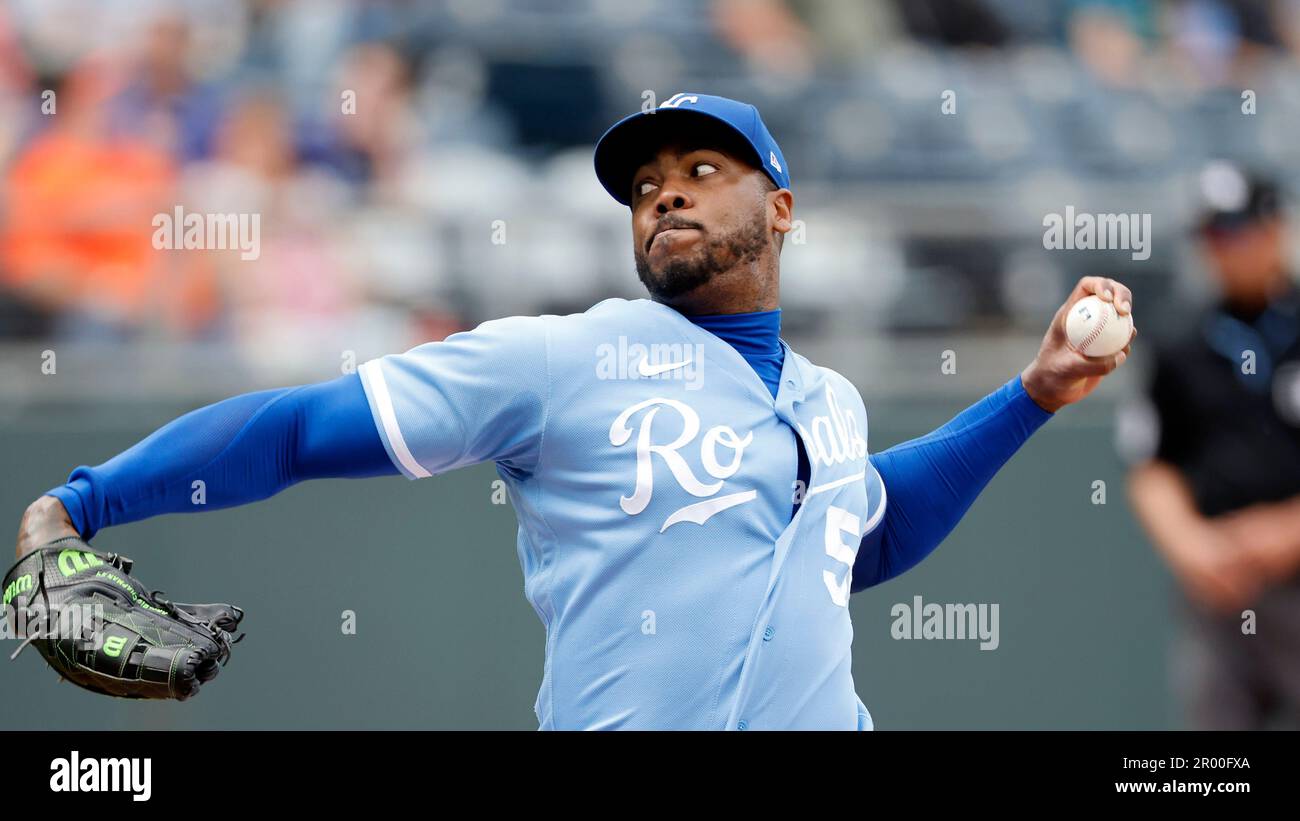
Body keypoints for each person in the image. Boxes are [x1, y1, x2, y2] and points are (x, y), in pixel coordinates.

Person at [14, 93, 1134, 730]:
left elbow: (863, 531)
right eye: (645, 187)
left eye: (702, 167)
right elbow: (298, 429)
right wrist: (78, 501)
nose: (666, 193)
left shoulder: (827, 400)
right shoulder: (564, 357)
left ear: (781, 208)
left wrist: (1032, 395)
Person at [1126, 162, 1300, 729]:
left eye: (1238, 230)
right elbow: (1152, 464)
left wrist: (1283, 533)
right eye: (1213, 235)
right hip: (1220, 594)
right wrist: (1194, 548)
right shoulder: (1181, 341)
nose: (1225, 249)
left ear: (1276, 229)